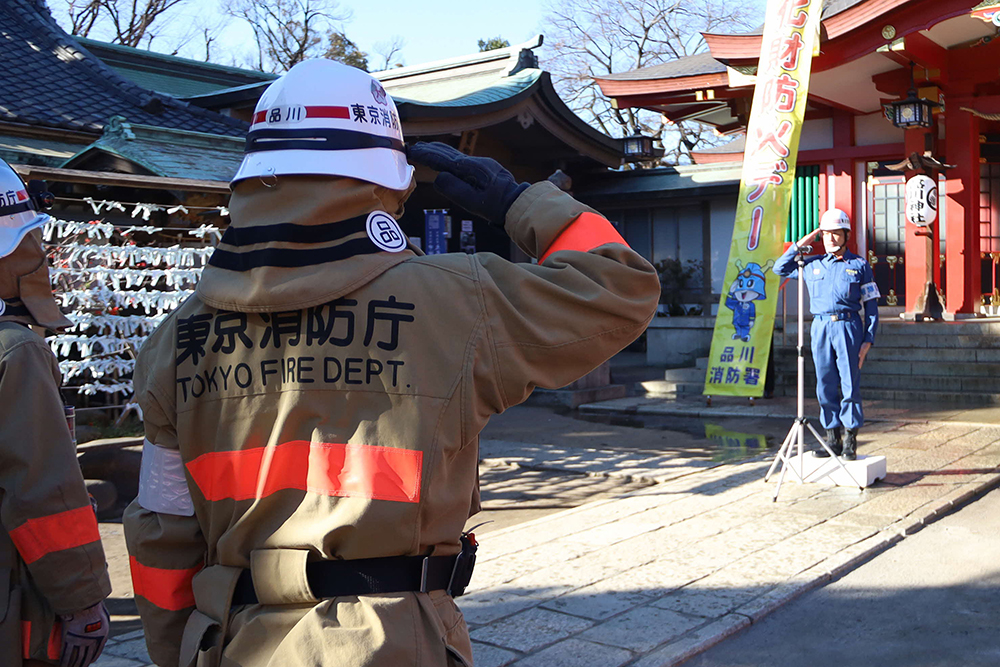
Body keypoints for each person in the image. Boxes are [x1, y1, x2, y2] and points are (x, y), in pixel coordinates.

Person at [123, 59, 660, 667]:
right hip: (393, 640)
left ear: (251, 181)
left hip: (235, 640)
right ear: (385, 186)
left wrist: (179, 650)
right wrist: (522, 203)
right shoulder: (459, 301)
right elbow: (620, 286)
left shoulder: (177, 335)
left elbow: (162, 528)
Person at [0, 158, 112, 667]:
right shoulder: (15, 351)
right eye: (31, 243)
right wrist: (83, 601)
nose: (43, 257)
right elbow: (44, 491)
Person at [773, 208, 879, 460]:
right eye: (827, 233)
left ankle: (850, 439)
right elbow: (779, 268)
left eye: (836, 233)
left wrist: (868, 339)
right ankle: (832, 438)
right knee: (825, 383)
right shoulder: (812, 264)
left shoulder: (859, 265)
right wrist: (805, 241)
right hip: (820, 328)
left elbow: (872, 306)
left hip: (848, 326)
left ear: (846, 235)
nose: (831, 238)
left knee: (849, 383)